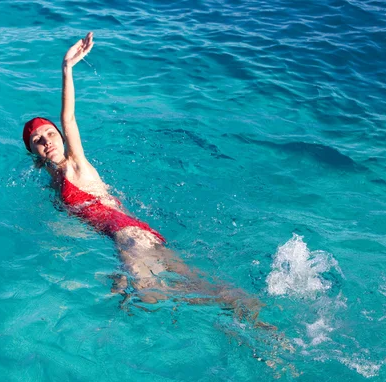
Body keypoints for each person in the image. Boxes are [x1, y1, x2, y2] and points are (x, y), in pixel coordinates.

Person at [22, 32, 268, 325]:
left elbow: (69, 118)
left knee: (152, 296)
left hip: (129, 237)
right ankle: (253, 318)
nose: (46, 140)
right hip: (134, 234)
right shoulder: (55, 180)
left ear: (62, 137)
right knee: (198, 285)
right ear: (33, 152)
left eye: (50, 133)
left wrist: (67, 68)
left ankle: (239, 306)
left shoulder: (76, 164)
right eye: (38, 139)